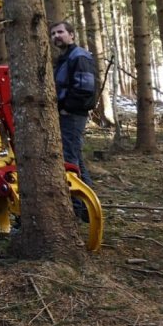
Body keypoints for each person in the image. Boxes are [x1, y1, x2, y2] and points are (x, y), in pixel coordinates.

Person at [50, 20, 98, 218]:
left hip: (73, 115)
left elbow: (85, 89)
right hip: (66, 114)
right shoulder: (65, 58)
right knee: (75, 158)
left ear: (71, 35)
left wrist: (66, 109)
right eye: (53, 34)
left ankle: (76, 208)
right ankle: (87, 208)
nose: (56, 36)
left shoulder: (79, 56)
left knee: (69, 160)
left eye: (60, 32)